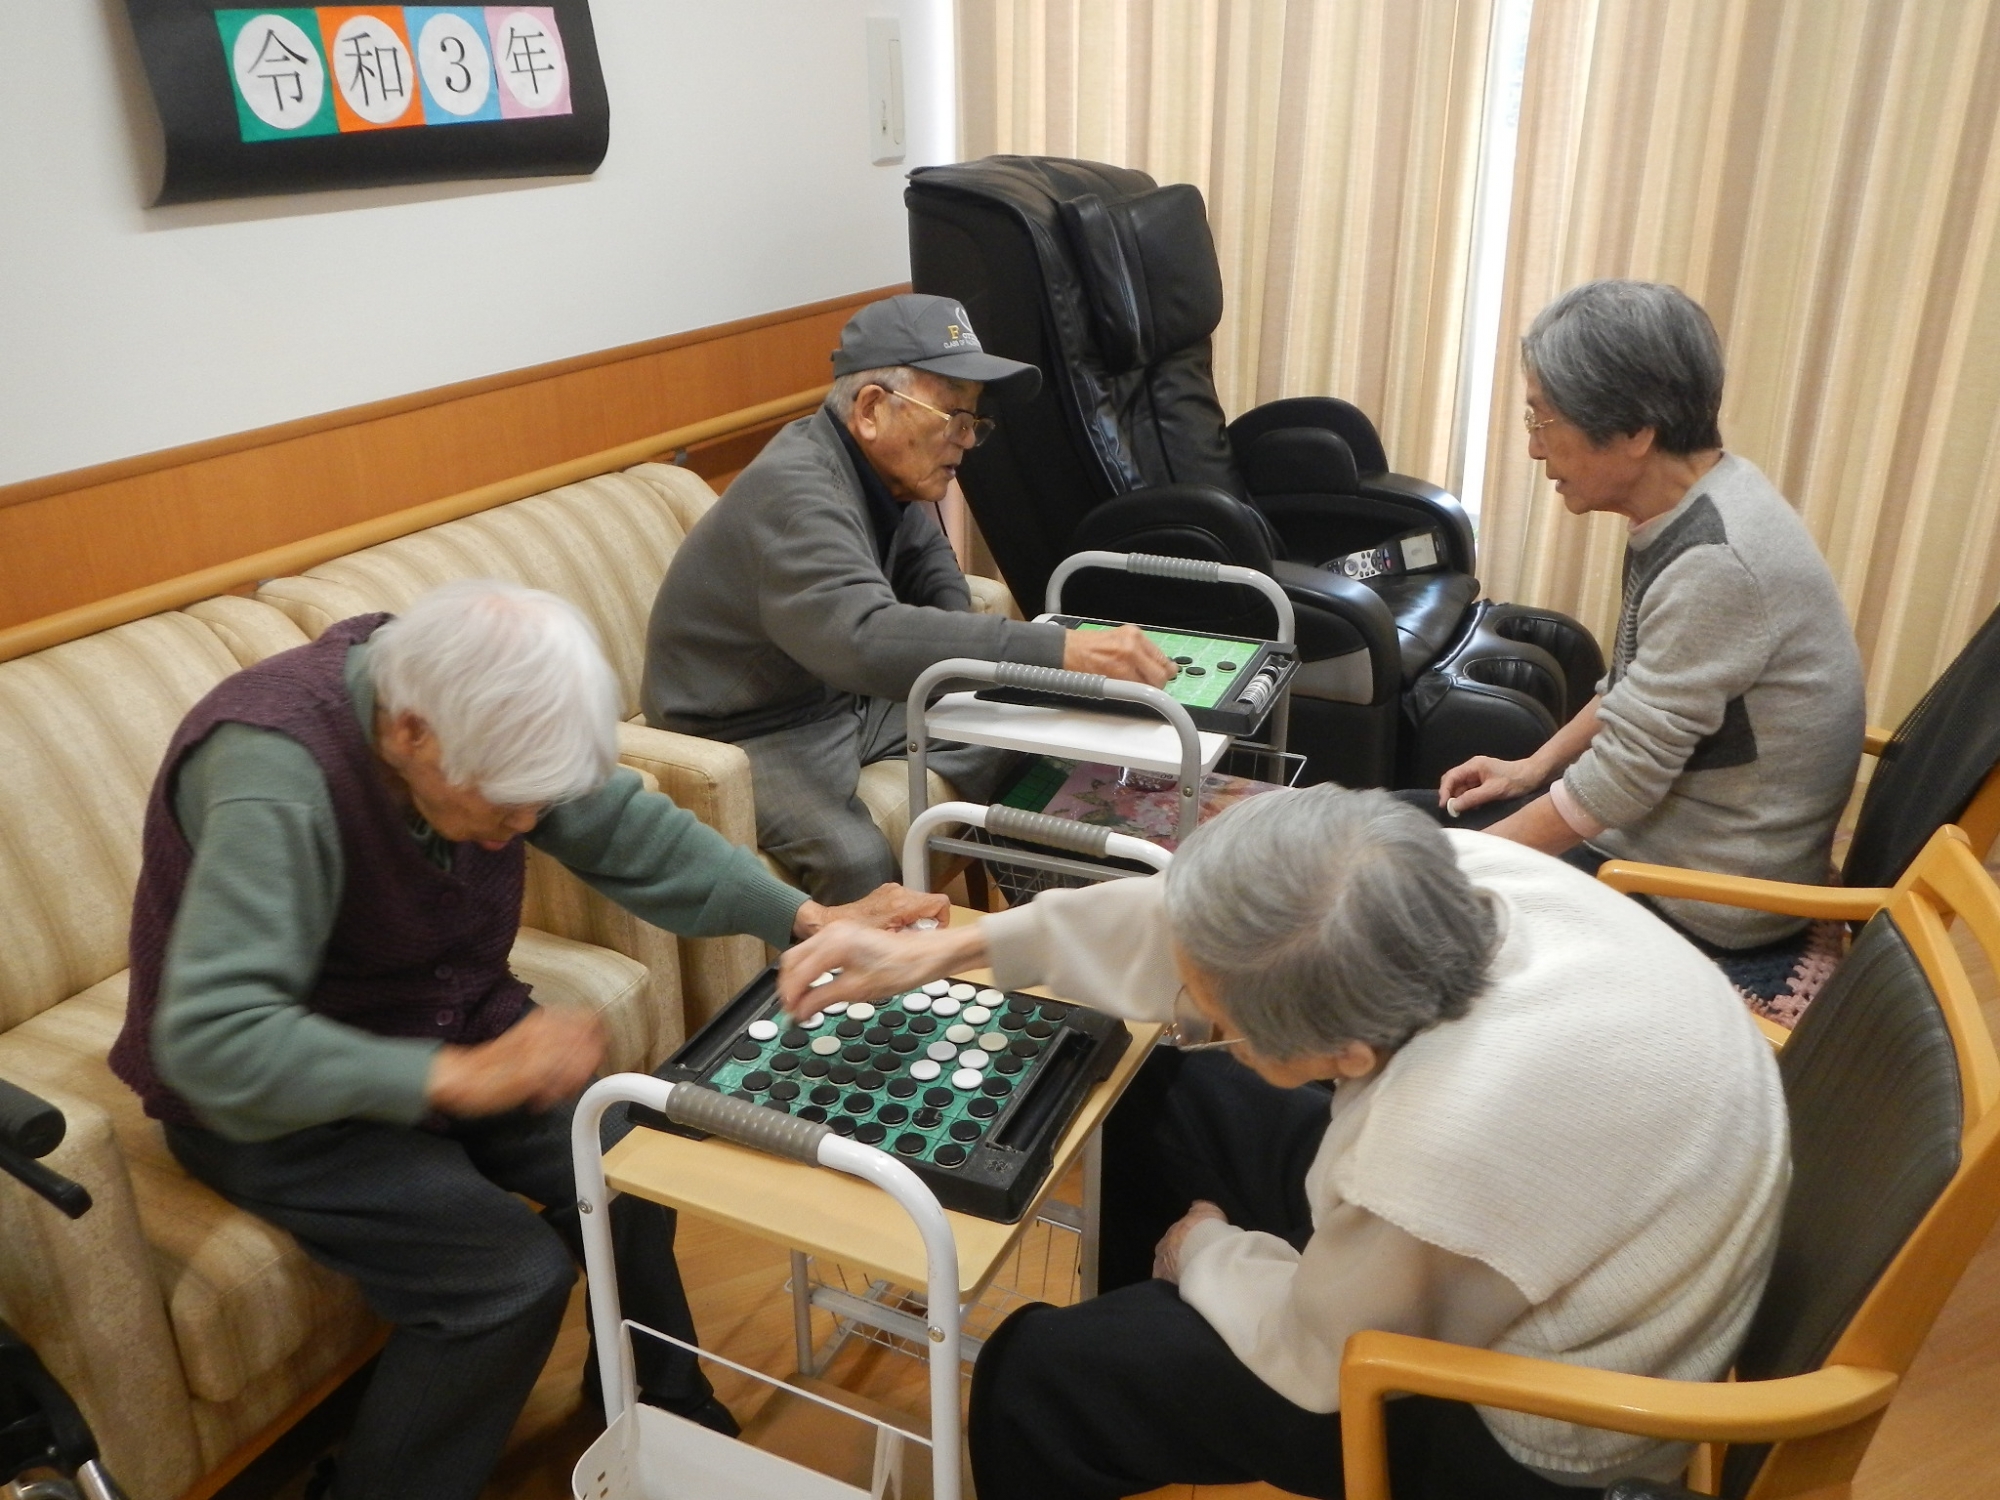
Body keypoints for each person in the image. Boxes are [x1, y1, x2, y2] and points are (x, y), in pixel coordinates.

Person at [108, 579, 945, 1500]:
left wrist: (808, 919)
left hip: (444, 1025)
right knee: (505, 1281)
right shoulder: (272, 771)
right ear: (411, 733)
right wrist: (456, 1076)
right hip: (277, 1099)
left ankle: (656, 1408)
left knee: (629, 1166)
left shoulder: (468, 709)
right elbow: (213, 1040)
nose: (521, 830)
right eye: (506, 805)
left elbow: (622, 827)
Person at [776, 785, 1789, 1500]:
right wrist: (951, 948)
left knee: (1038, 1377)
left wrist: (1204, 1252)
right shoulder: (1435, 874)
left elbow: (1324, 1356)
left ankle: (1120, 1376)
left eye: (1218, 1020)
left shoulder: (1438, 1144)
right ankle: (1150, 1368)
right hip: (1592, 1244)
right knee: (1161, 1088)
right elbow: (1197, 923)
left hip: (1545, 1433)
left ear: (1344, 1052)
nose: (1196, 1015)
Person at [643, 292, 1174, 902]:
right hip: (746, 729)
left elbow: (929, 560)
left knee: (1022, 737)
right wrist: (1061, 650)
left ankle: (1044, 920)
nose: (966, 440)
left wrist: (962, 657)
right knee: (855, 858)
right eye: (953, 416)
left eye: (974, 421)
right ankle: (895, 963)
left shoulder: (876, 469)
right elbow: (864, 641)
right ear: (873, 408)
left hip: (832, 696)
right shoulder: (796, 493)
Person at [1427, 279, 1864, 956]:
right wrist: (1531, 767)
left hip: (1700, 896)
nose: (1536, 449)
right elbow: (1636, 689)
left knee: (1404, 899)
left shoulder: (1717, 562)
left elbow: (1621, 780)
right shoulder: (1705, 500)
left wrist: (1453, 875)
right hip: (1666, 844)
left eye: (1544, 420)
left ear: (1635, 431)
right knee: (1403, 827)